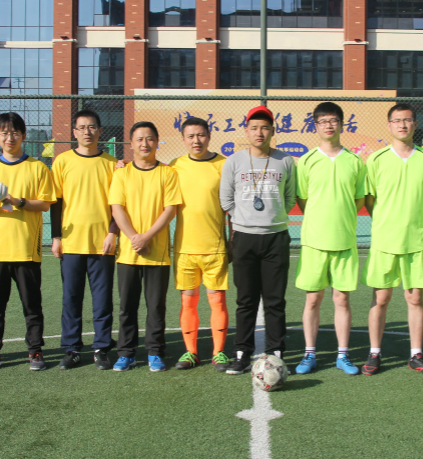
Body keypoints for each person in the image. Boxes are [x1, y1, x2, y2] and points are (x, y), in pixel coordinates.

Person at [362, 103, 423, 376]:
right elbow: (370, 199)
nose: (402, 125)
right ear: (389, 125)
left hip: (416, 241)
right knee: (381, 298)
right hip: (385, 240)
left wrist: (418, 220)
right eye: (397, 120)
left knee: (415, 299)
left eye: (407, 120)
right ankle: (374, 353)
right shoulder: (376, 159)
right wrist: (386, 221)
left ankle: (416, 354)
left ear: (415, 124)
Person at [219, 105, 297, 375]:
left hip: (276, 237)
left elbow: (290, 196)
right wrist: (245, 218)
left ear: (273, 131)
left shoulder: (285, 160)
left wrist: (273, 217)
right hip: (244, 238)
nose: (259, 132)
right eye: (254, 128)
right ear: (246, 131)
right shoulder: (234, 161)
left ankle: (277, 352)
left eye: (265, 128)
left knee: (275, 300)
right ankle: (242, 352)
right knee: (246, 299)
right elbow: (226, 199)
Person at [0, 112, 56, 371]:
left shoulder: (38, 167)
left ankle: (35, 351)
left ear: (23, 135)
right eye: (4, 133)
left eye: (15, 133)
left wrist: (16, 201)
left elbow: (44, 204)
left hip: (26, 248)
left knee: (32, 305)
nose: (9, 138)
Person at [294, 102, 367, 375]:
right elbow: (302, 199)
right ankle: (309, 354)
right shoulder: (306, 161)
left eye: (333, 120)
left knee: (342, 300)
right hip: (314, 242)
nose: (328, 125)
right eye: (323, 121)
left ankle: (343, 355)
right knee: (313, 300)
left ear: (341, 124)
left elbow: (359, 199)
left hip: (344, 241)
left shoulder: (355, 161)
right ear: (315, 126)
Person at [109, 121, 181, 372]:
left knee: (156, 306)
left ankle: (155, 352)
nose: (145, 143)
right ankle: (126, 353)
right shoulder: (121, 174)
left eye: (150, 138)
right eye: (139, 139)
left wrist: (147, 237)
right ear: (131, 144)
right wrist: (134, 238)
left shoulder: (168, 173)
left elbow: (170, 210)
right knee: (127, 306)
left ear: (157, 142)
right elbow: (117, 209)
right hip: (128, 253)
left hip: (157, 253)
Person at [50, 110, 119, 371]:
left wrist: (112, 232)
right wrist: (56, 237)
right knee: (71, 298)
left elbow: (119, 203)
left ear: (100, 131)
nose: (87, 132)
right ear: (74, 132)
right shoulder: (62, 161)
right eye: (81, 127)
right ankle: (72, 349)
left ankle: (101, 348)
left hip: (102, 244)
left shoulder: (112, 164)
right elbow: (56, 202)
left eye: (92, 127)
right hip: (71, 243)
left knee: (102, 300)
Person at [168, 116, 232, 371]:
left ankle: (219, 352)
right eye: (191, 136)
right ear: (183, 139)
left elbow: (232, 207)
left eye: (201, 135)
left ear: (209, 136)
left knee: (217, 302)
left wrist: (233, 238)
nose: (196, 140)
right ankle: (190, 352)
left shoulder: (223, 165)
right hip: (185, 248)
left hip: (215, 247)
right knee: (188, 302)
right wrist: (122, 164)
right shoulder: (175, 166)